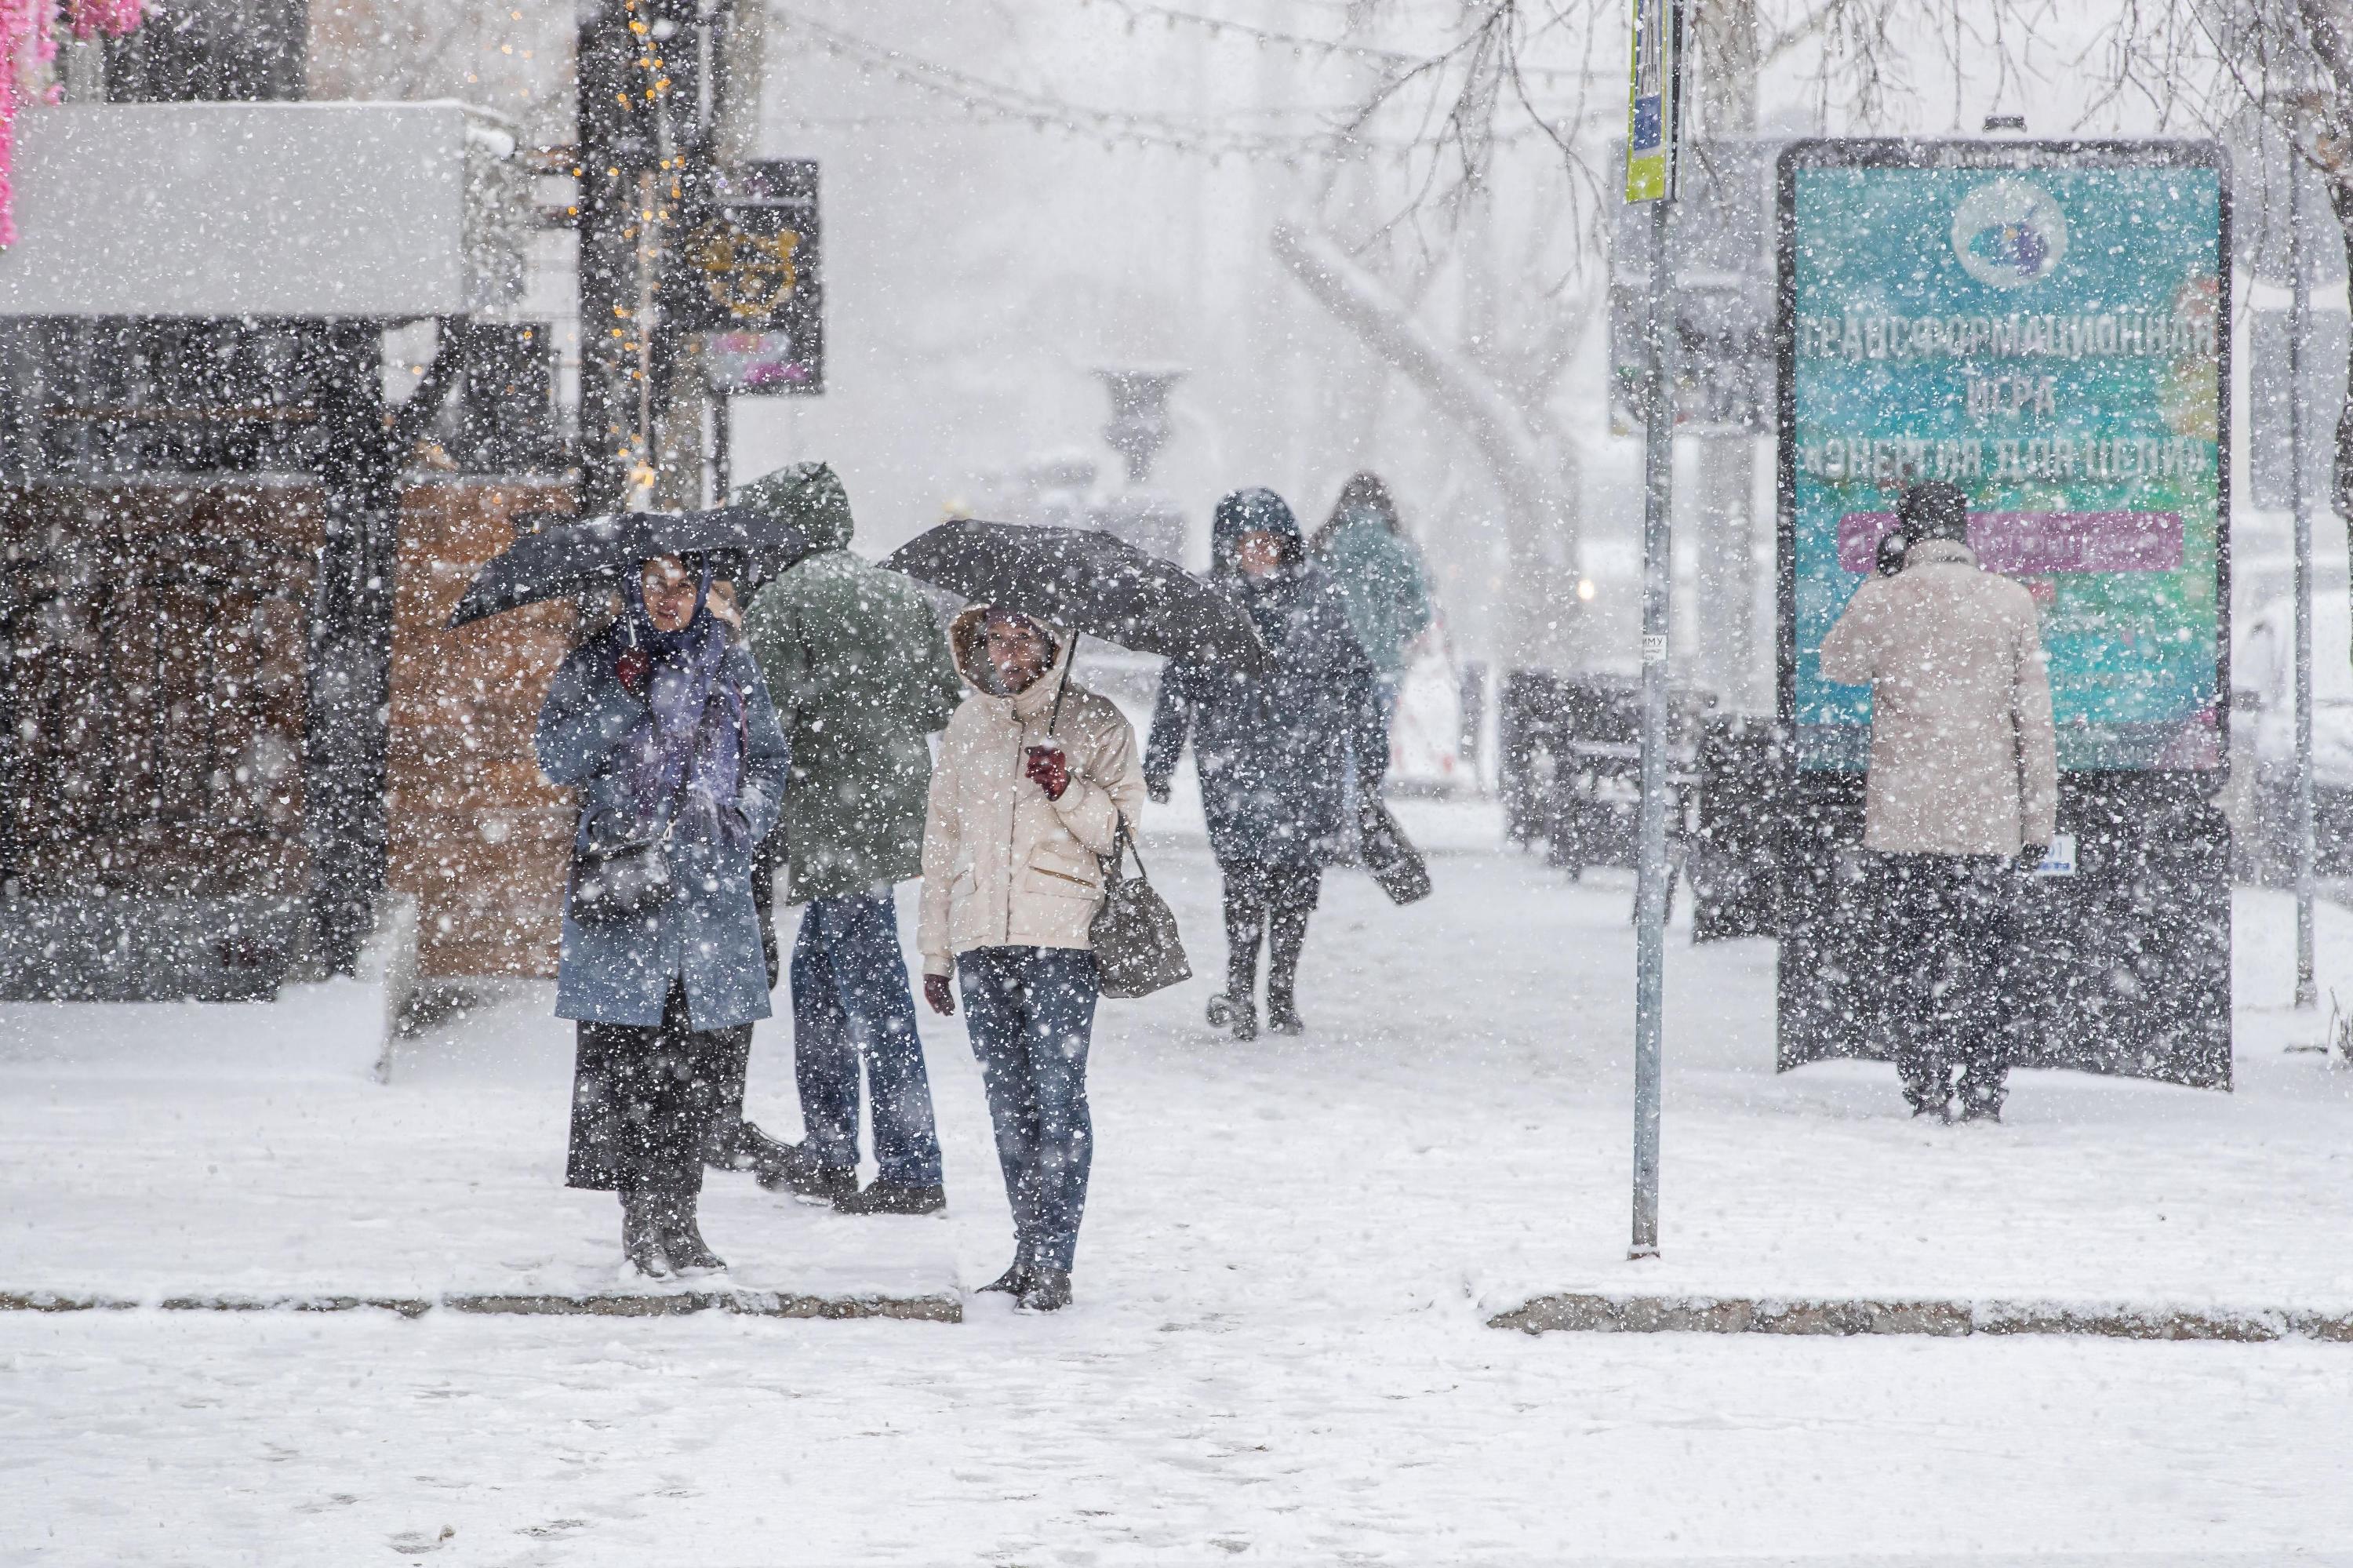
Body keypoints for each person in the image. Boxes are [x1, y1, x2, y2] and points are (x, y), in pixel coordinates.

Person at [536, 552, 791, 1277]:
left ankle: (681, 1223)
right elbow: (555, 757)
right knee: (628, 1066)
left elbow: (769, 758)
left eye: (685, 586)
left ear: (705, 591)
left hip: (707, 898)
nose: (671, 599)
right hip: (626, 890)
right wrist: (622, 696)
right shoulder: (599, 662)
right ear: (632, 589)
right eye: (656, 585)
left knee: (696, 1069)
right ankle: (640, 1225)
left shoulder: (730, 664)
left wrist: (743, 815)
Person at [736, 461, 964, 1216]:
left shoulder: (781, 599)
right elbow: (939, 701)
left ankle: (910, 1167)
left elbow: (763, 723)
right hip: (893, 809)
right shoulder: (896, 590)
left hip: (830, 819)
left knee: (874, 996)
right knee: (820, 984)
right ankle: (829, 1151)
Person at [918, 605, 1144, 1312]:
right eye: (996, 637)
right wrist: (936, 948)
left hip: (1063, 940)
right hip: (984, 937)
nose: (1007, 651)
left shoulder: (1097, 722)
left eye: (1023, 636)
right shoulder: (969, 724)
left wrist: (1065, 786)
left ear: (1054, 642)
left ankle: (1055, 1260)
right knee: (1008, 1106)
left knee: (1058, 1097)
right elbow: (940, 839)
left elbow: (1122, 832)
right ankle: (1026, 1250)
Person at [1818, 480, 2058, 1123]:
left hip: (1904, 819)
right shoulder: (2009, 603)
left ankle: (1924, 1086)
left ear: (1907, 533)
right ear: (1963, 530)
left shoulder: (1885, 600)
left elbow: (1836, 663)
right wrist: (2039, 821)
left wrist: (1879, 578)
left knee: (1910, 959)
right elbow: (2033, 722)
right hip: (1987, 823)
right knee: (1989, 964)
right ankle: (1984, 1089)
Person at [1145, 487, 1385, 1040]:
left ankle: (1280, 989)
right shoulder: (1207, 602)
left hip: (1308, 763)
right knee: (1244, 880)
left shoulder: (1318, 598)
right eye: (1248, 542)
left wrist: (1370, 753)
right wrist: (1160, 759)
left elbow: (1355, 678)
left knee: (1298, 883)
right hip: (1235, 764)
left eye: (1269, 542)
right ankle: (1238, 987)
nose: (1260, 552)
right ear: (1229, 546)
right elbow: (1178, 685)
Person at [1311, 473, 1434, 832]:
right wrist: (1395, 634)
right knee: (1371, 745)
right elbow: (1419, 612)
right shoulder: (1398, 549)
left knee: (1334, 745)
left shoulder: (1326, 545)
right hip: (1383, 665)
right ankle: (1362, 816)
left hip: (1330, 664)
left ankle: (1336, 821)